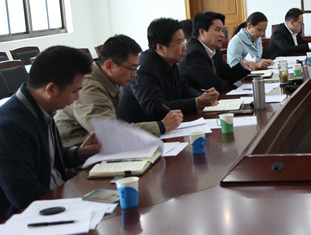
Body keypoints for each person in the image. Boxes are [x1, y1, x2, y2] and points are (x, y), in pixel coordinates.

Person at [0, 46, 102, 219]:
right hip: (31, 217)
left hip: (58, 198)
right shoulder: (9, 127)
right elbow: (24, 195)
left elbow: (49, 159)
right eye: (75, 91)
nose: (77, 97)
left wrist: (80, 152)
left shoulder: (41, 109)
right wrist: (77, 205)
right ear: (51, 89)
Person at [55, 35, 183, 147]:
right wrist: (161, 126)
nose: (135, 74)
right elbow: (108, 132)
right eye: (132, 69)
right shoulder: (88, 87)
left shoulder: (109, 79)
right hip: (80, 156)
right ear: (109, 66)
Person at [117, 18, 219, 123]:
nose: (185, 48)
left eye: (184, 41)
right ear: (161, 48)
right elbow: (155, 107)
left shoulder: (169, 61)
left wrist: (204, 96)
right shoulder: (144, 69)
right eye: (180, 43)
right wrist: (197, 102)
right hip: (139, 128)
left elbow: (184, 89)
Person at [179, 12, 256, 92]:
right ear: (202, 32)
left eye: (222, 31)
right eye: (218, 30)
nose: (222, 35)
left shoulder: (214, 49)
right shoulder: (194, 53)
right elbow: (214, 85)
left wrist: (242, 66)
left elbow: (225, 73)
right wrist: (230, 82)